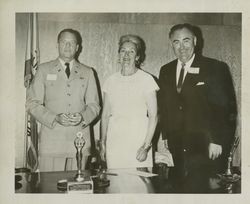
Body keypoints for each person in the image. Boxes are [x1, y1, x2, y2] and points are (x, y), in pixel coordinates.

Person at [159, 24, 237, 188]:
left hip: (206, 144)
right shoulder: (166, 70)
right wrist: (166, 135)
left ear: (195, 41)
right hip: (177, 143)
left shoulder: (215, 68)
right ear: (171, 44)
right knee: (180, 187)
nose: (182, 47)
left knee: (203, 188)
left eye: (186, 41)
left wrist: (216, 140)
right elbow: (165, 105)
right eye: (176, 42)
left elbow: (226, 109)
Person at [26, 28, 100, 172]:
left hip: (80, 140)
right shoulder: (43, 70)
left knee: (78, 188)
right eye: (64, 42)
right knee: (51, 188)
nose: (67, 46)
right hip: (52, 142)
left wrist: (82, 117)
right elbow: (32, 103)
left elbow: (94, 105)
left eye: (72, 43)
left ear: (78, 47)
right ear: (57, 45)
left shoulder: (88, 72)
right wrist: (54, 118)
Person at [100, 34, 159, 169]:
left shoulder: (147, 80)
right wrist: (102, 143)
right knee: (116, 185)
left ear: (137, 56)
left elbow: (153, 116)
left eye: (131, 51)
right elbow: (105, 115)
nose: (126, 55)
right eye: (123, 51)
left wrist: (146, 146)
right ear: (119, 55)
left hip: (138, 145)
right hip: (115, 144)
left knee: (139, 186)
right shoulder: (110, 81)